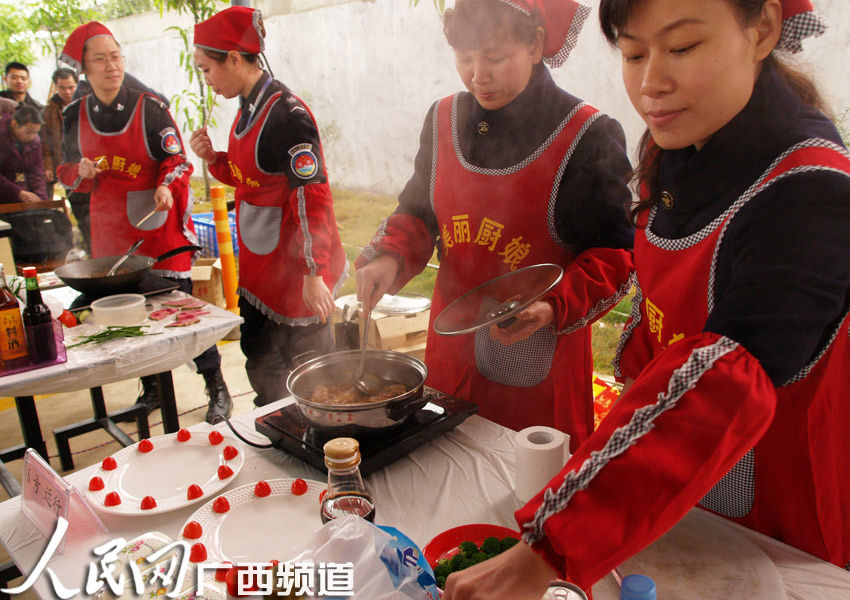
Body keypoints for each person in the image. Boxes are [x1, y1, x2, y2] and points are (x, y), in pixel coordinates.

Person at [442, 1, 850, 598]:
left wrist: (547, 551)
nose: (650, 83)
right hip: (657, 487)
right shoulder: (676, 151)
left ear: (761, 29)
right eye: (633, 54)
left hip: (776, 516)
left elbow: (723, 384)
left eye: (682, 48)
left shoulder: (810, 194)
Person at [354, 0, 634, 449]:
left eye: (495, 57)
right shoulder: (444, 119)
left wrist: (552, 306)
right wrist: (390, 257)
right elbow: (418, 211)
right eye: (464, 58)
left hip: (537, 366)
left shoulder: (586, 135)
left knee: (528, 496)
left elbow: (615, 255)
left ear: (536, 44)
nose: (477, 75)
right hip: (450, 356)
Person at [56, 22, 233, 424]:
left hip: (156, 228)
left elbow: (178, 160)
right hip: (110, 239)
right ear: (84, 68)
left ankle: (216, 386)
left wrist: (167, 185)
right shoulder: (73, 115)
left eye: (116, 57)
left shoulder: (150, 107)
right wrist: (79, 170)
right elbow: (62, 171)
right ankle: (152, 390)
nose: (111, 66)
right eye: (100, 59)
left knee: (182, 316)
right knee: (128, 318)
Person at [189, 7, 348, 407]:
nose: (206, 81)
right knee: (262, 362)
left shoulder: (286, 117)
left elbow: (310, 197)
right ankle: (275, 425)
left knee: (311, 376)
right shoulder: (247, 107)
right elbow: (253, 180)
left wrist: (313, 272)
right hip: (262, 268)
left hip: (295, 270)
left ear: (234, 59)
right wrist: (215, 160)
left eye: (207, 69)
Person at [0, 104, 74, 265]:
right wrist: (18, 192)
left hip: (24, 197)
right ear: (14, 124)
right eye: (28, 132)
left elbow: (36, 172)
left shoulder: (34, 140)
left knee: (44, 221)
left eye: (35, 132)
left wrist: (42, 202)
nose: (32, 136)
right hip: (4, 199)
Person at [42, 68, 92, 253]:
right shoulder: (49, 111)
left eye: (71, 87)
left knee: (94, 213)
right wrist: (49, 166)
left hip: (90, 166)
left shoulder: (86, 104)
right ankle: (89, 249)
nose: (68, 92)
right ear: (56, 87)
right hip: (68, 168)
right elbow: (45, 140)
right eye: (62, 88)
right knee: (79, 211)